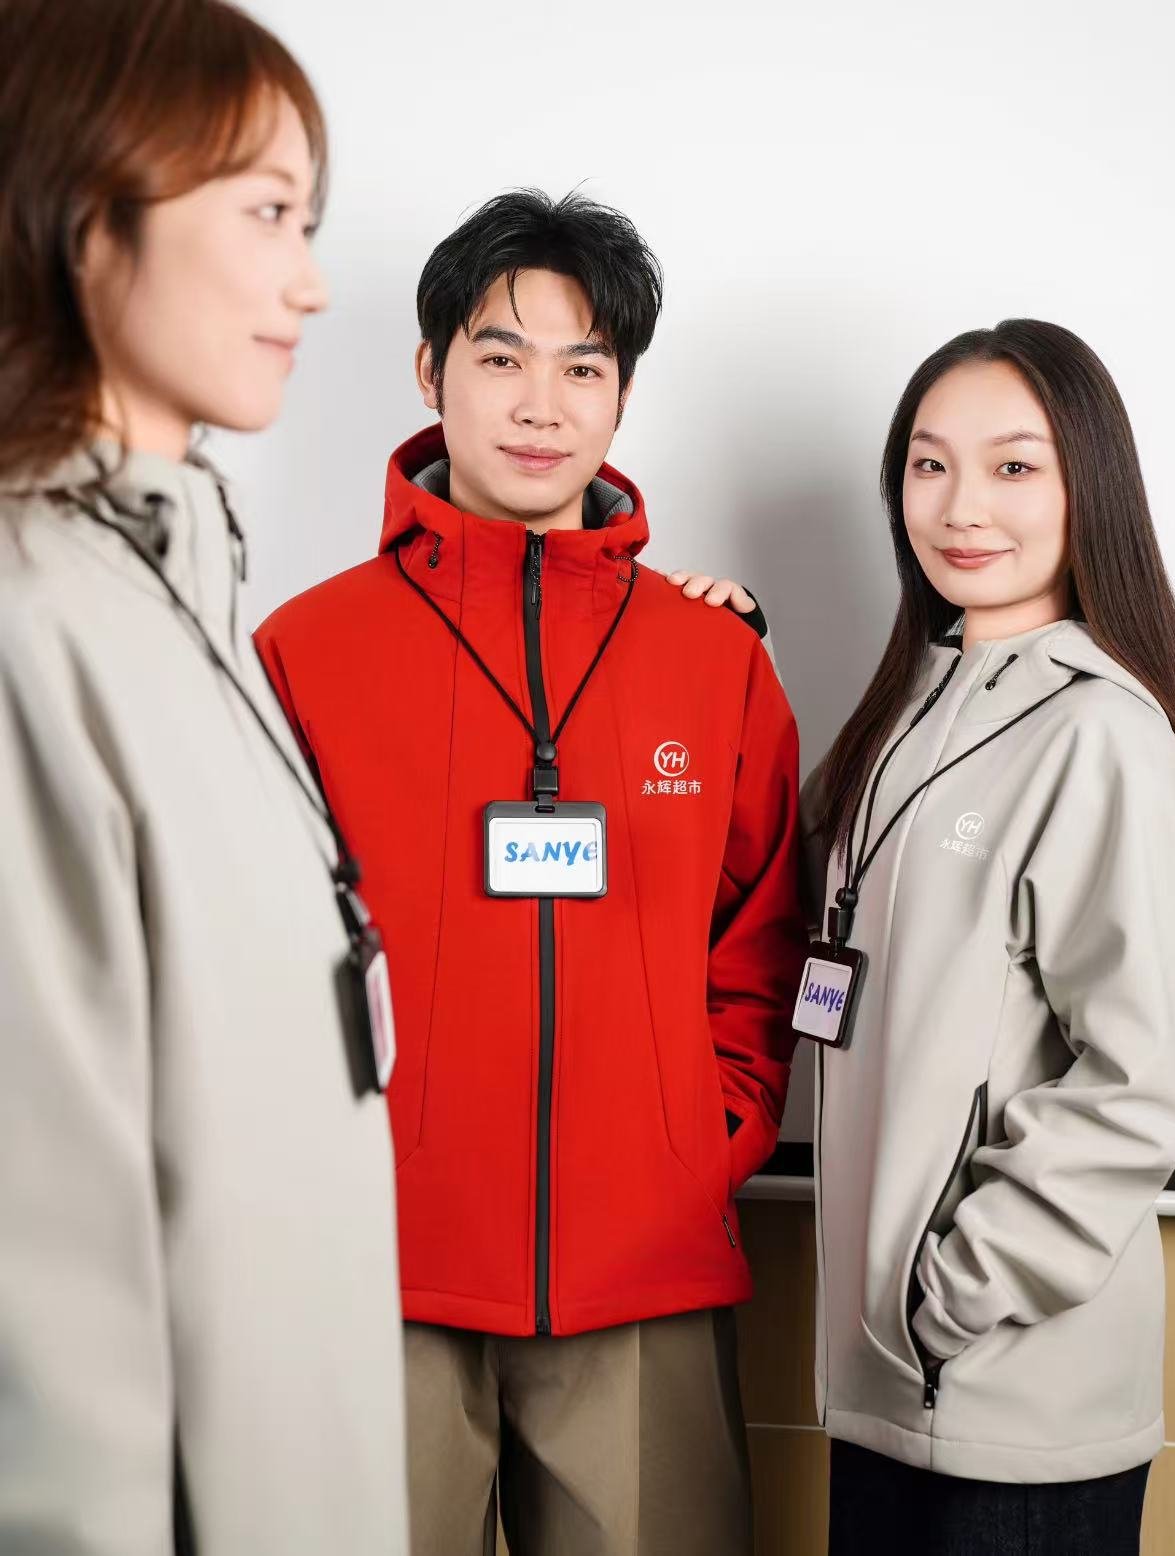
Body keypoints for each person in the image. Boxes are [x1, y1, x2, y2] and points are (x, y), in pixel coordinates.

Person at [255, 188, 808, 1556]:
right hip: (377, 1270)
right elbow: (251, 954)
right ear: (430, 369)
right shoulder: (303, 652)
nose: (539, 405)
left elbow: (761, 944)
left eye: (583, 367)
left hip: (646, 1274)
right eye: (501, 356)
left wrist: (703, 1140)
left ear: (623, 394)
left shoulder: (714, 661)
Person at [0, 2, 407, 1551]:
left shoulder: (187, 593)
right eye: (265, 212)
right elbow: (38, 1266)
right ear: (85, 217)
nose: (309, 281)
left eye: (311, 221)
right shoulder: (31, 621)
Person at [684, 319, 1175, 1554]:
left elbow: (1142, 1079)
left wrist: (947, 1295)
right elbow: (832, 915)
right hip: (888, 1384)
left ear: (1089, 486)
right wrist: (730, 671)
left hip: (1006, 1391)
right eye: (928, 463)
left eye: (1013, 466)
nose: (961, 506)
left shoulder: (1103, 734)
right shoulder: (912, 699)